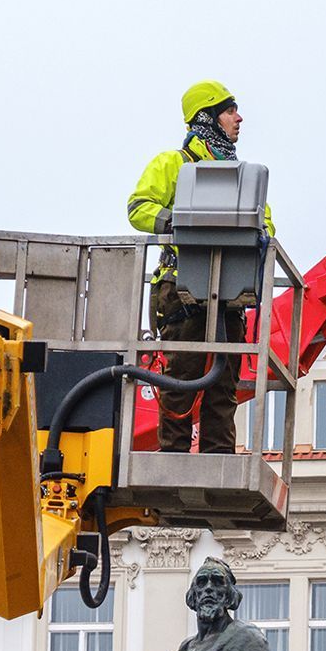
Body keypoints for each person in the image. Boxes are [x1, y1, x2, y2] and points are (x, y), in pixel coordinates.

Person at [126, 81, 275, 454]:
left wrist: (258, 234)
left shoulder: (244, 177)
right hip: (180, 289)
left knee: (223, 384)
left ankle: (218, 457)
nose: (239, 118)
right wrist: (181, 222)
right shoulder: (172, 163)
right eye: (230, 111)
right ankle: (173, 456)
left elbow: (267, 225)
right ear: (207, 117)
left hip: (230, 293)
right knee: (182, 378)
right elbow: (138, 208)